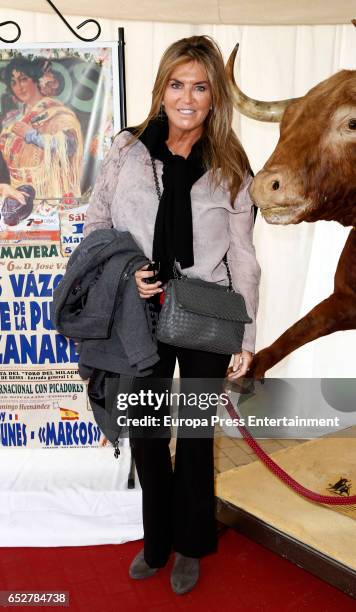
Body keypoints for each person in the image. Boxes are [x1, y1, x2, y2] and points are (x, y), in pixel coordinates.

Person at [83, 35, 261, 594]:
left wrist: (247, 337)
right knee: (147, 433)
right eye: (176, 84)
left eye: (200, 86)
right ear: (161, 89)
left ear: (214, 97)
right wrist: (125, 272)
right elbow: (97, 229)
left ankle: (190, 544)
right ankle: (155, 538)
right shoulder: (125, 150)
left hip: (206, 312)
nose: (187, 97)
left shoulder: (231, 164)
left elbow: (243, 258)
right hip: (139, 311)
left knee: (197, 434)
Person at [0, 54, 83, 207]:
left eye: (23, 79)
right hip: (17, 193)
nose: (19, 87)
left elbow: (69, 145)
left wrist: (32, 135)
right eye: (13, 82)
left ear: (36, 79)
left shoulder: (56, 112)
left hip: (49, 190)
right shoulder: (11, 119)